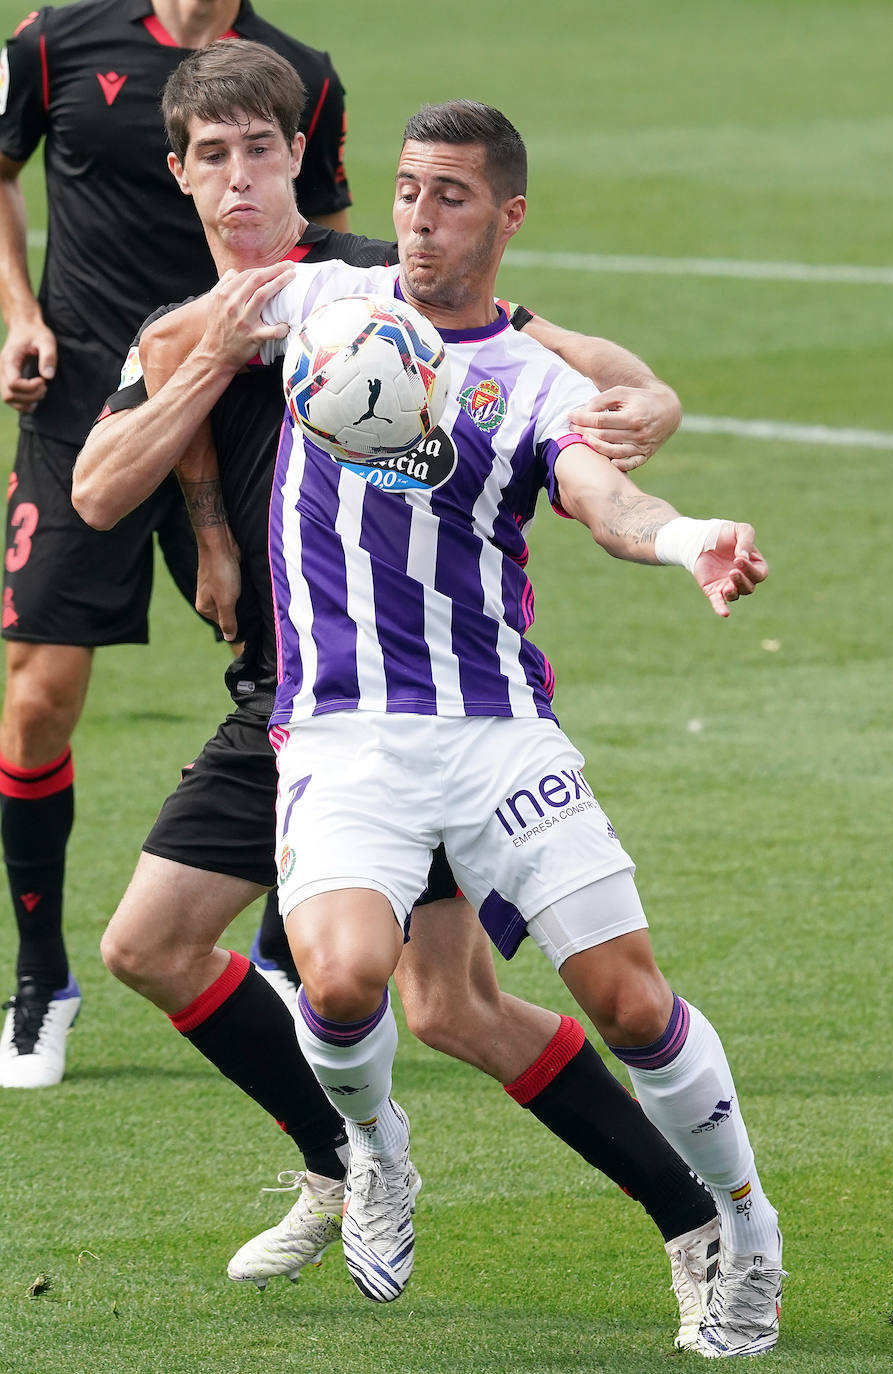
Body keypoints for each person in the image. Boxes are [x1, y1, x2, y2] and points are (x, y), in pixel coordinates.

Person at [72, 41, 723, 1353]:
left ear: (299, 158)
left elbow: (587, 361)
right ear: (182, 177)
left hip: (407, 704)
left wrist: (646, 395)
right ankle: (351, 1158)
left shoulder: (381, 284)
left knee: (452, 1007)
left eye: (265, 148)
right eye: (215, 156)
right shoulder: (176, 330)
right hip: (281, 703)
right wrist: (214, 361)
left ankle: (692, 1217)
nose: (243, 177)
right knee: (147, 944)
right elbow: (96, 489)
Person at [0, 0, 351, 1089]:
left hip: (243, 416)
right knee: (33, 699)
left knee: (295, 679)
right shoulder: (53, 40)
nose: (234, 167)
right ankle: (40, 976)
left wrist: (215, 533)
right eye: (212, 153)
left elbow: (321, 248)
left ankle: (286, 962)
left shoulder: (295, 68)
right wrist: (19, 312)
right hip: (88, 408)